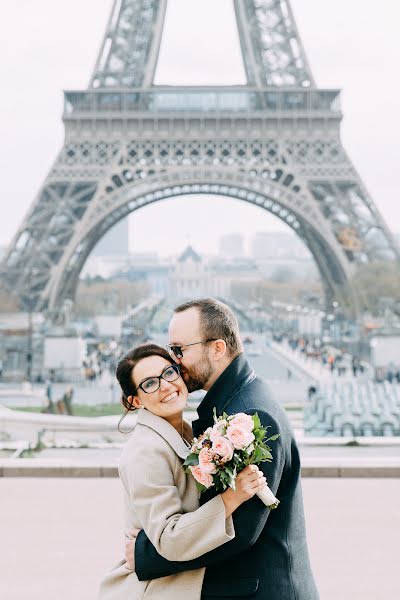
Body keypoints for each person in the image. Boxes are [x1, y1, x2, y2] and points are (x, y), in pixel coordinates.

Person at [127, 298, 319, 600]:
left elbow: (242, 529)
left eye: (179, 350)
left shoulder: (251, 415)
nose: (174, 362)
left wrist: (147, 556)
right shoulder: (239, 399)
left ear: (217, 348)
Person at [98, 343, 266, 600]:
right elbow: (169, 538)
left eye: (169, 373)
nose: (165, 385)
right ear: (134, 401)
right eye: (149, 384)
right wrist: (230, 499)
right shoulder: (146, 452)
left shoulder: (184, 434)